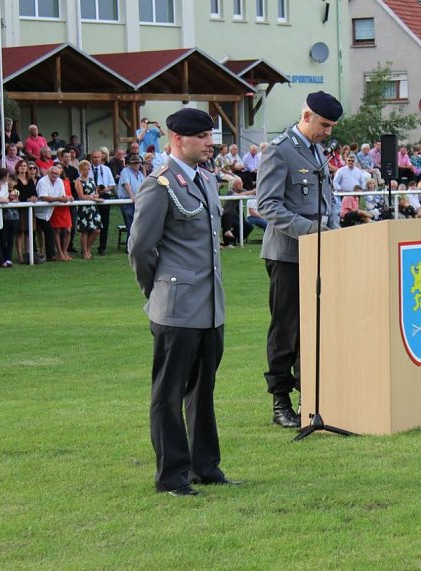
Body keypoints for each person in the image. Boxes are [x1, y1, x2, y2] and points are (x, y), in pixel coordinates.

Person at [128, 107, 240, 496]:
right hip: (176, 308)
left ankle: (205, 466)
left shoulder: (205, 181)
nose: (211, 143)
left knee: (202, 390)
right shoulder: (159, 185)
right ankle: (172, 476)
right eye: (203, 137)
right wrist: (158, 290)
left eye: (211, 136)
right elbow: (141, 249)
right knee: (169, 394)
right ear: (177, 139)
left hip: (208, 307)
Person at [257, 91, 342, 429]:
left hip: (321, 252)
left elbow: (328, 201)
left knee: (317, 328)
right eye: (324, 124)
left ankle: (313, 396)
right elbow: (268, 206)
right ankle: (281, 401)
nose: (328, 132)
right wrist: (314, 232)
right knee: (287, 328)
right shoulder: (279, 151)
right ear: (306, 116)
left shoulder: (317, 151)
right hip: (288, 255)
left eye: (332, 126)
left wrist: (335, 233)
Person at [73, 160, 103, 259]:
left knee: (97, 230)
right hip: (84, 208)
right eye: (84, 169)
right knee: (85, 230)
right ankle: (85, 253)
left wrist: (96, 197)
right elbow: (81, 196)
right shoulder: (78, 181)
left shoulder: (91, 180)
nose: (86, 171)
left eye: (88, 169)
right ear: (80, 170)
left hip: (93, 208)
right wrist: (92, 198)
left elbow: (96, 193)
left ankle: (87, 249)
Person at [118, 154, 144, 241]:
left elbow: (143, 186)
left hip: (138, 201)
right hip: (127, 200)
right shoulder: (125, 171)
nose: (136, 164)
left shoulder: (140, 174)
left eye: (138, 163)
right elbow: (126, 184)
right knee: (131, 223)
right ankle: (130, 246)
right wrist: (132, 196)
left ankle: (136, 244)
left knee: (137, 223)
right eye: (134, 163)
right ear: (130, 164)